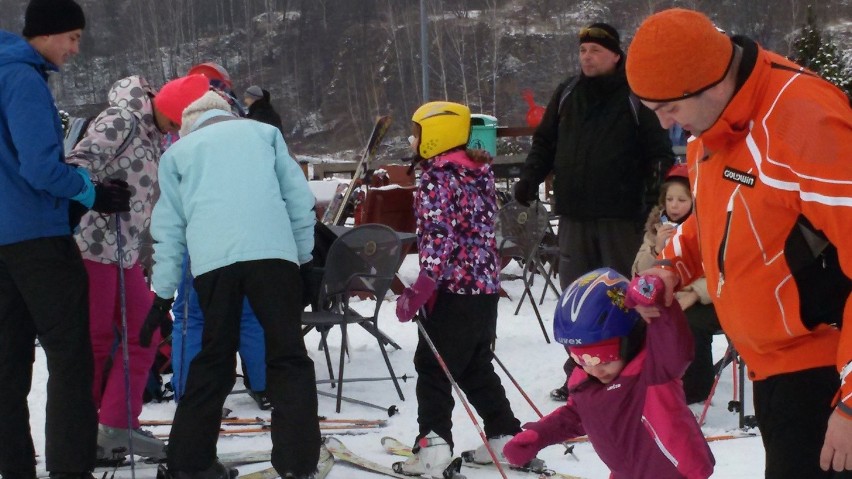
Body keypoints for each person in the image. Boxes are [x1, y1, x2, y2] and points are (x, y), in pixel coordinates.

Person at [624, 8, 852, 478]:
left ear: (708, 83)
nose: (665, 122)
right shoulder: (710, 128)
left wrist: (851, 406)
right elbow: (711, 218)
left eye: (668, 107)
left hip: (824, 372)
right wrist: (672, 267)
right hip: (771, 366)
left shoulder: (805, 123)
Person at [138, 76, 322, 479]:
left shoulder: (178, 154)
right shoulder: (265, 134)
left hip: (214, 266)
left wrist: (163, 294)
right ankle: (297, 465)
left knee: (213, 360)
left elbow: (167, 229)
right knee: (288, 358)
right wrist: (305, 260)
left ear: (188, 123)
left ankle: (190, 463)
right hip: (273, 259)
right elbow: (298, 199)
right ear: (227, 112)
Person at [0, 1, 132, 478]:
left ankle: (14, 468)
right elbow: (38, 167)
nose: (76, 48)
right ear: (49, 33)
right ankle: (70, 469)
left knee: (7, 366)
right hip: (37, 238)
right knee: (71, 360)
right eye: (72, 37)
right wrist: (90, 191)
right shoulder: (23, 79)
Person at [512, 22, 675, 402]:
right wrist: (528, 179)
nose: (587, 57)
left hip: (623, 220)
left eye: (596, 51)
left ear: (616, 56)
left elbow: (659, 155)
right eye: (583, 50)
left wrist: (651, 206)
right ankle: (581, 374)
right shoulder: (567, 93)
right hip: (574, 217)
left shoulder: (635, 96)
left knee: (626, 297)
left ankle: (634, 374)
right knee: (577, 300)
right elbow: (545, 142)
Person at [394, 101, 531, 478]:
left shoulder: (436, 179)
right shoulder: (478, 172)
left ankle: (433, 445)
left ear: (436, 134)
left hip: (452, 288)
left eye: (418, 132)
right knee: (473, 364)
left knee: (433, 366)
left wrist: (420, 289)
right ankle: (505, 436)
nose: (413, 139)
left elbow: (439, 239)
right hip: (484, 288)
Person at [65, 75, 187, 460]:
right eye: (178, 119)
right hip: (90, 246)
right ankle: (82, 432)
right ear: (164, 104)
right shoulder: (120, 118)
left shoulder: (154, 132)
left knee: (146, 331)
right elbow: (74, 164)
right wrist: (97, 194)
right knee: (94, 342)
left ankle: (116, 421)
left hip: (125, 252)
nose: (178, 129)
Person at [502, 268, 715, 478]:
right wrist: (538, 435)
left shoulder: (653, 374)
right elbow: (576, 416)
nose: (594, 368)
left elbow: (676, 347)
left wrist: (661, 307)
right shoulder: (584, 381)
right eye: (581, 358)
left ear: (629, 342)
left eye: (603, 357)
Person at [631, 163, 720, 404]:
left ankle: (695, 388)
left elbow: (720, 271)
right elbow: (639, 272)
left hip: (708, 297)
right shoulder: (656, 227)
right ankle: (637, 378)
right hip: (667, 294)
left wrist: (694, 293)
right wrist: (656, 248)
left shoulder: (709, 225)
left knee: (691, 324)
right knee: (635, 316)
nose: (674, 205)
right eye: (670, 199)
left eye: (682, 199)